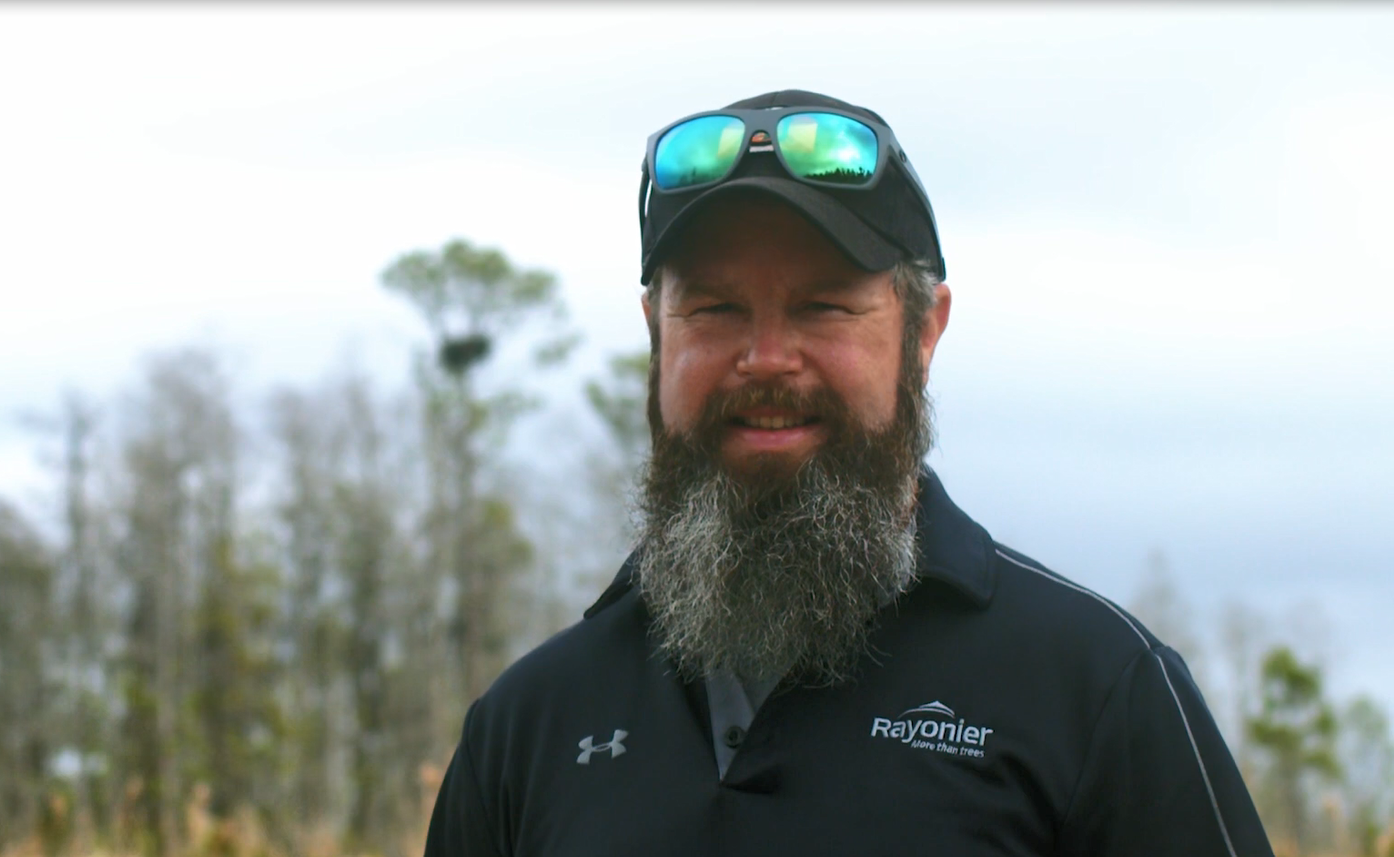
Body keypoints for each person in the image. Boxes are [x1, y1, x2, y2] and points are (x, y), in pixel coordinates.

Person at [422, 89, 1272, 856]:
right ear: (656, 333)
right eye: (715, 309)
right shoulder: (527, 726)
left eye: (823, 305)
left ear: (924, 331)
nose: (765, 359)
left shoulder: (1098, 693)